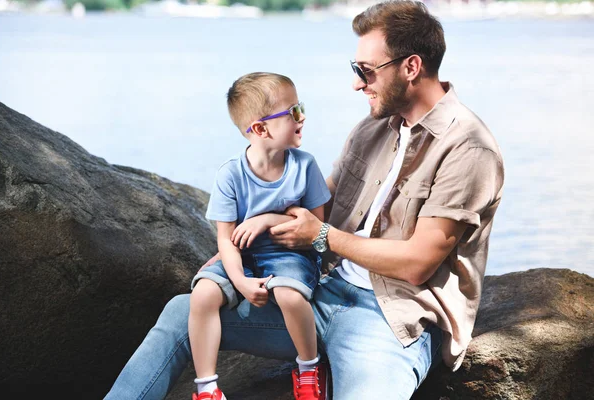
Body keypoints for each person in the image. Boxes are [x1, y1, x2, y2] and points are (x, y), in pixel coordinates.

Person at [104, 1, 504, 399]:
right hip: (321, 293)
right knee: (183, 311)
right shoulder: (373, 127)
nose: (356, 84)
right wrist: (242, 245)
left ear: (411, 67)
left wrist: (322, 236)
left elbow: (417, 265)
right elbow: (316, 201)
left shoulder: (468, 149)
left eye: (365, 71)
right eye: (356, 70)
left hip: (393, 320)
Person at [188, 72, 331, 400]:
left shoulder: (305, 166)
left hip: (291, 255)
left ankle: (309, 369)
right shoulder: (230, 174)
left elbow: (315, 224)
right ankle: (207, 388)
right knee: (203, 295)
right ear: (260, 129)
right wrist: (238, 281)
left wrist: (266, 219)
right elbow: (225, 239)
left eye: (301, 108)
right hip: (243, 255)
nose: (302, 117)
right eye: (293, 112)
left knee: (290, 296)